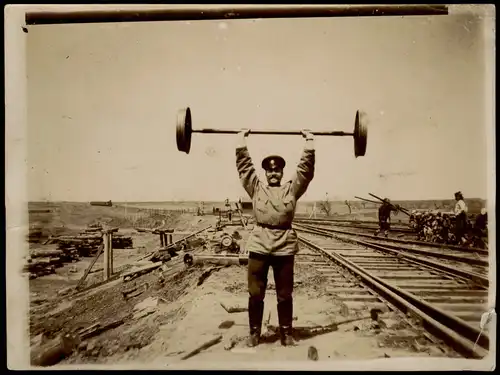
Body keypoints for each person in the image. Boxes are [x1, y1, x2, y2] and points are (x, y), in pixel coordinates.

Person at [236, 128, 315, 347]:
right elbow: (245, 167)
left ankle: (286, 334)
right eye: (270, 171)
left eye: (277, 170)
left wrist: (309, 142)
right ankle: (254, 333)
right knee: (255, 293)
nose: (273, 174)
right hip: (259, 245)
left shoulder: (291, 190)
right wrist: (241, 140)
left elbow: (305, 171)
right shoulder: (256, 189)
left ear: (281, 173)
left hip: (285, 247)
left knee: (284, 294)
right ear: (265, 173)